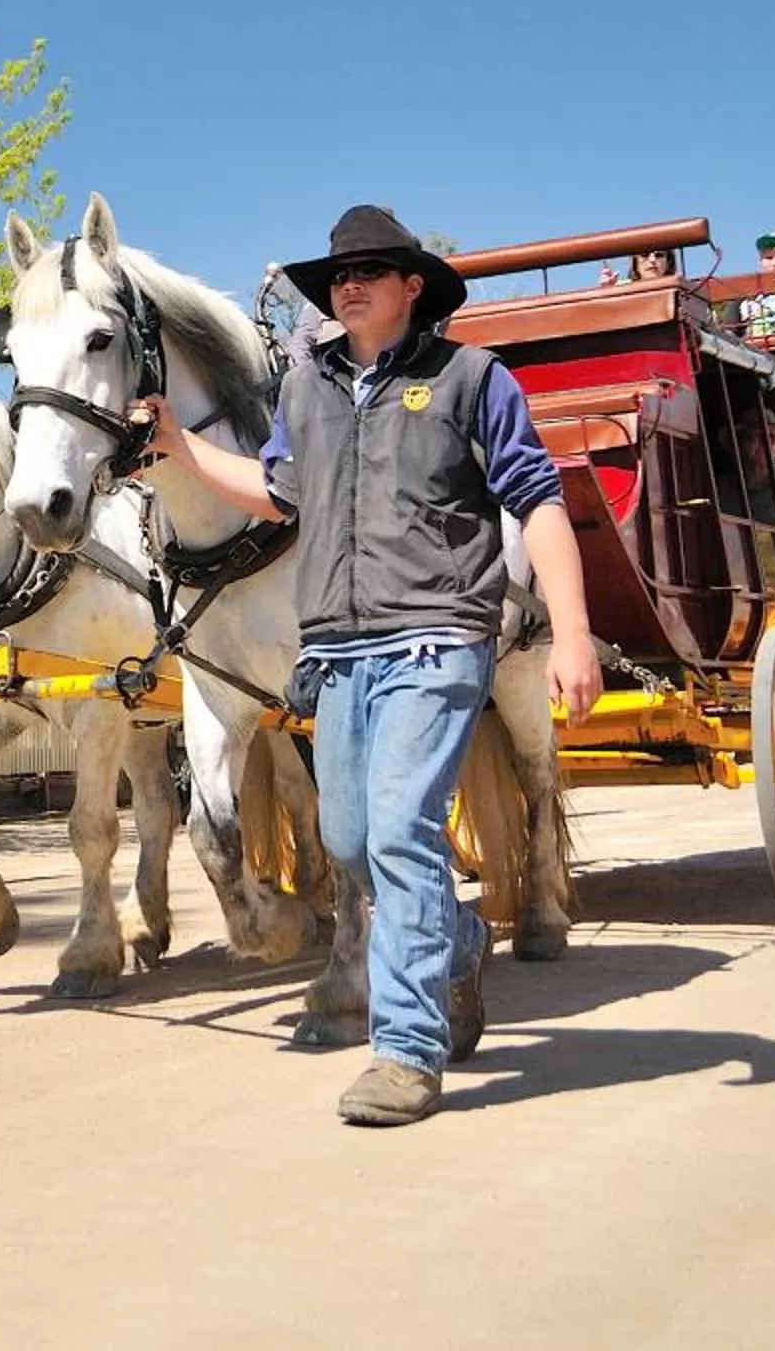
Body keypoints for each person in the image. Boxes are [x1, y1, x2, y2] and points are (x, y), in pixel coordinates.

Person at [133, 204, 601, 1128]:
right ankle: (458, 937)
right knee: (349, 843)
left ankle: (406, 1050)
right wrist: (182, 451)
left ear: (412, 287)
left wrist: (575, 632)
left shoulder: (471, 380)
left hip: (438, 639)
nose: (347, 287)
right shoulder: (306, 390)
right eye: (337, 278)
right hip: (339, 654)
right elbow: (276, 494)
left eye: (370, 273)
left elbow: (538, 502)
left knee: (396, 835)